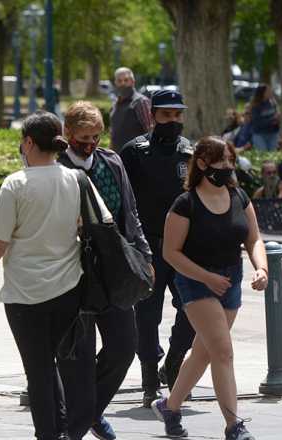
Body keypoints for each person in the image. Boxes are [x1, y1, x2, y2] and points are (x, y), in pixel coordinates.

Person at [0, 111, 112, 440]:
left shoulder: (16, 184)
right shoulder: (76, 179)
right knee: (66, 367)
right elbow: (102, 222)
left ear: (28, 142)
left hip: (24, 294)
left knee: (38, 371)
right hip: (69, 288)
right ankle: (67, 431)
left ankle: (48, 434)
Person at [151, 137, 268, 440]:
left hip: (231, 279)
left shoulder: (239, 196)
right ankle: (233, 426)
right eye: (221, 161)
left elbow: (254, 239)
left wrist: (262, 268)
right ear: (202, 164)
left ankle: (169, 407)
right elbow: (170, 253)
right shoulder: (185, 204)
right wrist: (205, 277)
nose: (227, 166)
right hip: (196, 282)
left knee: (205, 352)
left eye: (230, 160)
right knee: (223, 352)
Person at [56, 102, 151, 440]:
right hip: (73, 273)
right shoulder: (56, 167)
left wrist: (144, 255)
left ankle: (89, 412)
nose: (90, 144)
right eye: (83, 138)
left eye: (96, 137)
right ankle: (74, 424)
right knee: (78, 357)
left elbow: (131, 213)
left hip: (115, 269)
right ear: (67, 133)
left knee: (124, 347)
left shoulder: (112, 162)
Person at [119, 89, 196, 407]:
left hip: (183, 248)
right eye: (166, 115)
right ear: (153, 116)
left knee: (193, 308)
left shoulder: (190, 152)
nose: (173, 121)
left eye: (178, 115)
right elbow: (122, 201)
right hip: (147, 246)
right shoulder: (134, 152)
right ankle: (150, 377)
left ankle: (174, 361)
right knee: (147, 316)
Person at [109, 67, 154, 152]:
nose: (123, 83)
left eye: (126, 80)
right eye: (119, 81)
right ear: (115, 83)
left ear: (133, 82)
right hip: (117, 156)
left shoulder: (141, 102)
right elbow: (113, 134)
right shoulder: (115, 104)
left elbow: (150, 131)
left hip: (136, 156)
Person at [250, 84, 280, 151]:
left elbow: (276, 116)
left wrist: (278, 120)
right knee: (263, 154)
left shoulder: (273, 103)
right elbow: (257, 122)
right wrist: (272, 119)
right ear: (262, 93)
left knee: (272, 154)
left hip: (273, 133)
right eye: (268, 91)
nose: (270, 92)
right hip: (260, 134)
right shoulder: (256, 105)